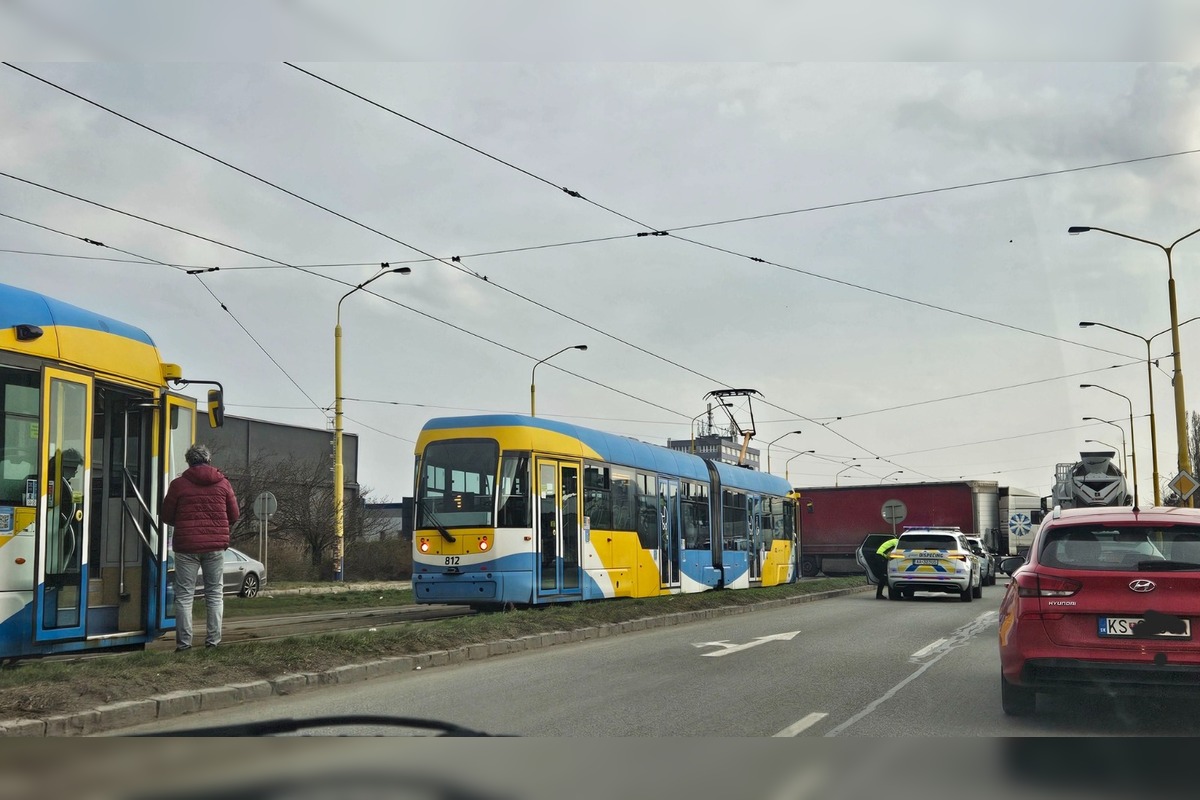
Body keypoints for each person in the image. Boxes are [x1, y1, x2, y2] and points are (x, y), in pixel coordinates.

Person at [162, 443, 239, 651]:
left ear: (189, 462)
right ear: (209, 460)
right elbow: (234, 515)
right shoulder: (223, 484)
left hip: (186, 547)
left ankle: (184, 645)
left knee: (185, 595)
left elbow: (166, 516)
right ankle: (213, 643)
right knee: (214, 594)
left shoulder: (178, 485)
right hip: (215, 547)